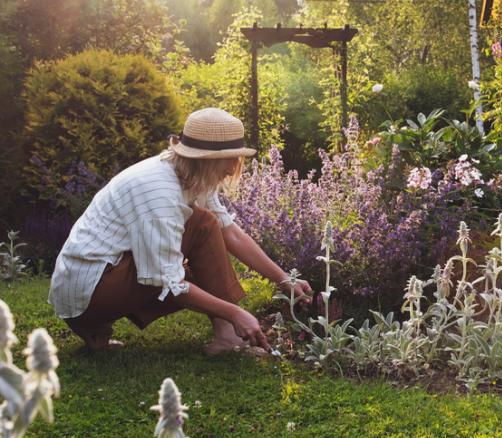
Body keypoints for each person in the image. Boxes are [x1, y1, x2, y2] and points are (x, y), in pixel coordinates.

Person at [48, 108, 312, 354]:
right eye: (228, 160)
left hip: (98, 280)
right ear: (205, 160)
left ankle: (223, 334)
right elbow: (169, 281)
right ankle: (94, 323)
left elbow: (230, 233)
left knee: (205, 224)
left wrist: (283, 279)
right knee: (188, 257)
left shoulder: (190, 174)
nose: (233, 168)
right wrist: (234, 313)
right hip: (89, 293)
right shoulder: (159, 192)